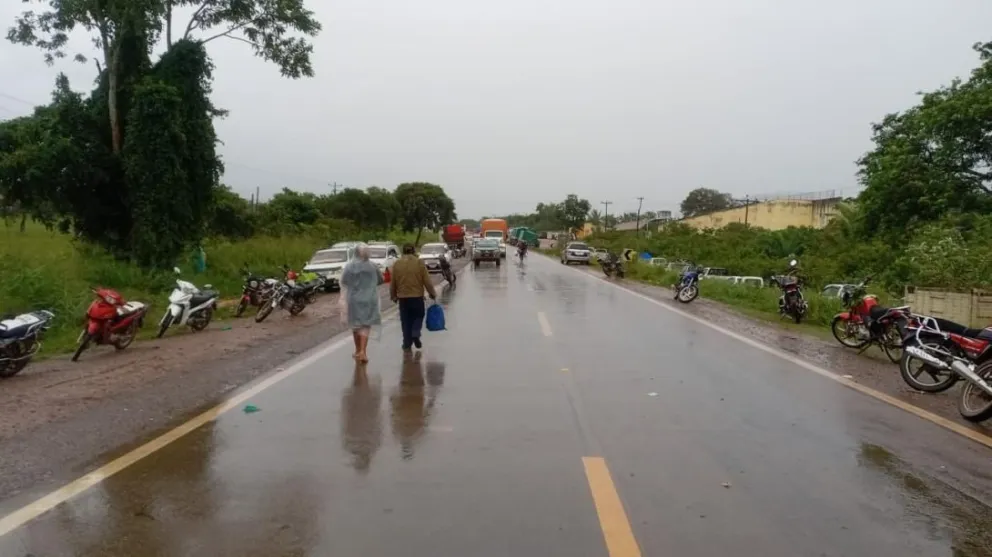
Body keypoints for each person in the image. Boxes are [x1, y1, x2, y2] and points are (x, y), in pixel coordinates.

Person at [340, 245, 383, 362]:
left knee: (355, 325)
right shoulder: (373, 266)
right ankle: (363, 351)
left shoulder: (349, 266)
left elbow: (344, 281)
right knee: (365, 324)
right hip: (370, 298)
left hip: (354, 299)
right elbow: (381, 280)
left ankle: (358, 350)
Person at [390, 243, 437, 351]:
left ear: (403, 251)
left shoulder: (397, 264)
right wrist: (432, 293)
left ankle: (406, 343)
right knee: (418, 316)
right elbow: (427, 280)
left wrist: (393, 295)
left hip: (403, 298)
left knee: (405, 320)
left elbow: (393, 282)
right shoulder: (419, 263)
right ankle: (415, 332)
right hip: (417, 297)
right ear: (414, 251)